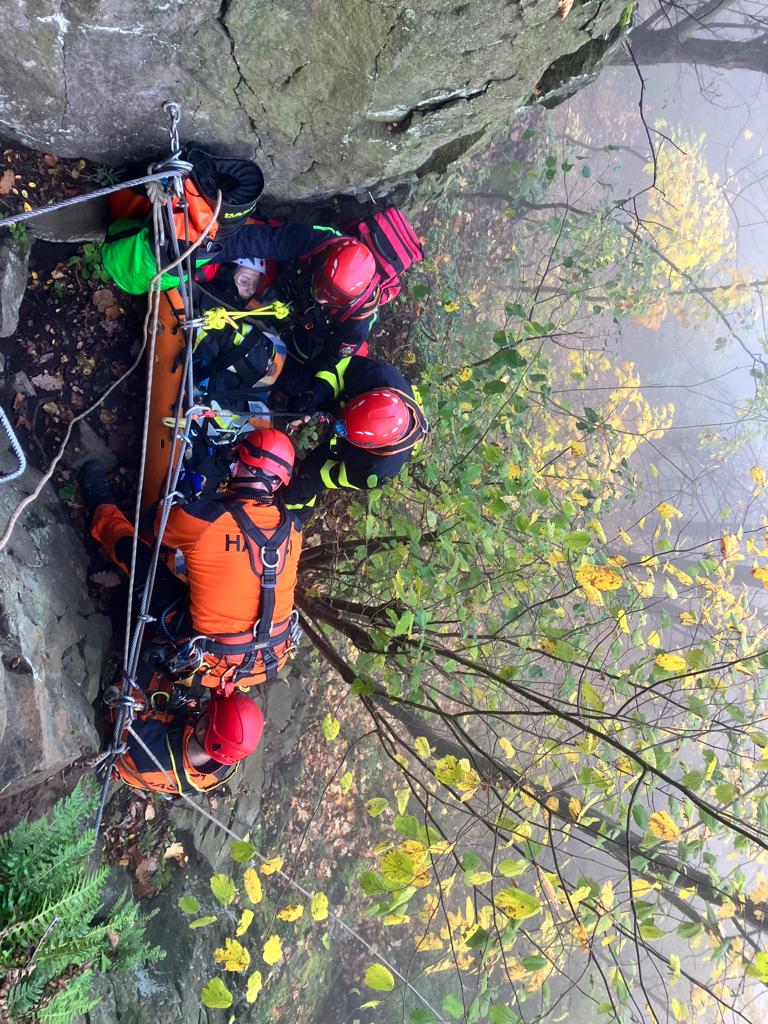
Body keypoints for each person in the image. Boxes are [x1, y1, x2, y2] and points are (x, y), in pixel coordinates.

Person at [282, 356, 428, 520]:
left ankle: (293, 516)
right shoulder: (379, 376)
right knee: (309, 392)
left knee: (306, 480)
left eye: (343, 430)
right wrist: (315, 396)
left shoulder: (376, 469)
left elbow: (328, 475)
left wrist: (315, 463)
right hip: (355, 405)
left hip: (361, 454)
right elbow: (341, 369)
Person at [110, 685, 263, 795]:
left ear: (202, 729)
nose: (205, 707)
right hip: (148, 769)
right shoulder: (221, 767)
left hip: (128, 751)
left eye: (207, 710)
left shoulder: (143, 739)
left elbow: (116, 709)